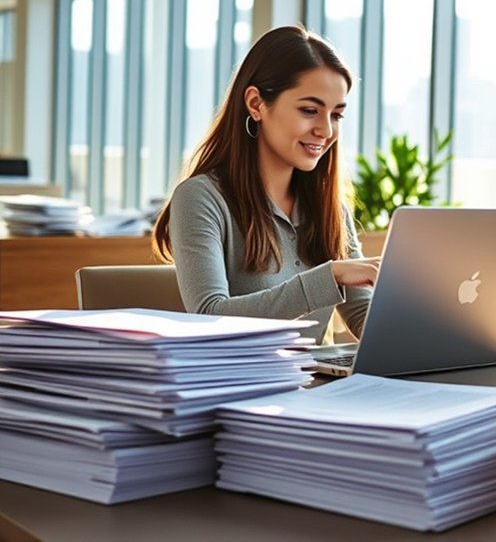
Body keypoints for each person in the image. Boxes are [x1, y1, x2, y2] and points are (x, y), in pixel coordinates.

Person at [152, 25, 379, 344]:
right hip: (243, 389)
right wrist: (329, 276)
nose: (326, 130)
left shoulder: (330, 209)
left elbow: (362, 318)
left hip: (318, 388)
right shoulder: (200, 198)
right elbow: (207, 315)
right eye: (309, 111)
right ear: (256, 104)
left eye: (337, 115)